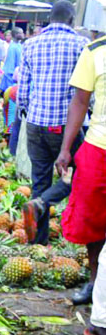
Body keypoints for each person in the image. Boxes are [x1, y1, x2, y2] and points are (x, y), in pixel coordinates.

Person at [18, 1, 88, 254]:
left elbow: (23, 89)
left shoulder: (30, 44)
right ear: (71, 19)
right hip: (64, 125)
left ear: (50, 18)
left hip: (36, 121)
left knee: (40, 179)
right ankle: (43, 203)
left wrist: (26, 112)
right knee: (80, 174)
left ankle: (39, 243)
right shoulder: (81, 45)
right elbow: (84, 92)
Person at [56, 34, 106, 310]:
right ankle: (96, 280)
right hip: (99, 147)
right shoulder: (95, 51)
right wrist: (65, 149)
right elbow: (79, 101)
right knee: (92, 222)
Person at [0, 27, 24, 91]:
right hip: (11, 81)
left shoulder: (19, 45)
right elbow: (9, 68)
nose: (22, 34)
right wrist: (11, 87)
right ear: (15, 35)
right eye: (20, 33)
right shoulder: (12, 47)